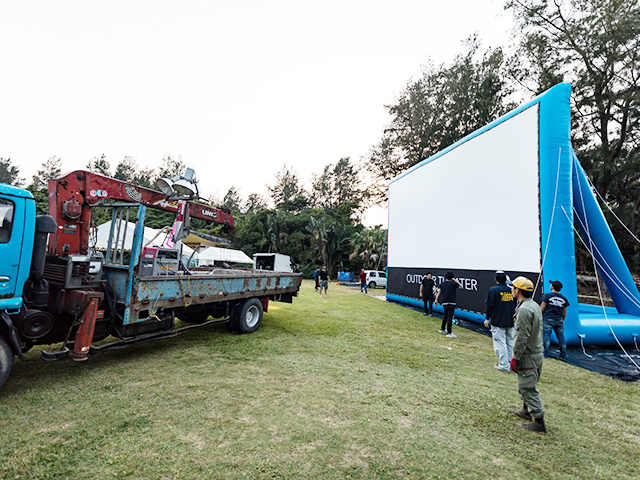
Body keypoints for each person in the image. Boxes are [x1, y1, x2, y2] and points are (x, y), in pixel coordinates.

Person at [509, 276, 546, 434]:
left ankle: (539, 423)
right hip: (536, 352)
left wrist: (515, 357)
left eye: (513, 287)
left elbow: (522, 337)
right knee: (525, 384)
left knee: (527, 386)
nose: (511, 290)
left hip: (528, 355)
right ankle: (526, 411)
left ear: (518, 290)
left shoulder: (524, 310)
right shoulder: (533, 305)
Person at [484, 271, 516, 372]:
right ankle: (510, 364)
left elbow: (490, 306)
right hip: (510, 320)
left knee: (500, 343)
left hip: (498, 320)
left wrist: (487, 318)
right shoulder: (512, 290)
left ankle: (504, 365)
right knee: (510, 342)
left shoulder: (494, 290)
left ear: (495, 279)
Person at [540, 280, 569, 360]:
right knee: (561, 338)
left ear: (552, 287)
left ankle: (544, 353)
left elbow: (542, 306)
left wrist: (537, 315)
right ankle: (563, 355)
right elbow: (564, 311)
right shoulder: (564, 299)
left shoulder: (547, 296)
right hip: (558, 320)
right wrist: (563, 320)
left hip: (548, 319)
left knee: (546, 337)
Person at [435, 271, 462, 338]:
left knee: (446, 316)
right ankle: (449, 333)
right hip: (451, 302)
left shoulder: (442, 283)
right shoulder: (453, 283)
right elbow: (460, 285)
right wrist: (454, 279)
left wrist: (436, 299)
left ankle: (443, 329)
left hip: (444, 302)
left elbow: (439, 292)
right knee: (450, 317)